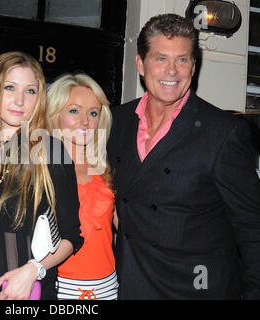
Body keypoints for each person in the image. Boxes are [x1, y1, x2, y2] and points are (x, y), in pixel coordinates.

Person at [107, 13, 260, 300]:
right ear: (140, 63)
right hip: (131, 286)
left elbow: (253, 229)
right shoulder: (116, 122)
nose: (172, 71)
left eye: (183, 59)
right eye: (161, 58)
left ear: (193, 66)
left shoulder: (223, 133)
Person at [0, 51, 83, 300]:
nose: (19, 100)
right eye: (9, 87)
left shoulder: (50, 152)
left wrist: (33, 270)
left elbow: (72, 236)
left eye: (30, 91)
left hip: (22, 293)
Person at [46, 73, 118, 300]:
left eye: (93, 113)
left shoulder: (107, 168)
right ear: (54, 114)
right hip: (60, 285)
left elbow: (128, 229)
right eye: (74, 110)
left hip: (108, 285)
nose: (86, 121)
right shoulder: (41, 169)